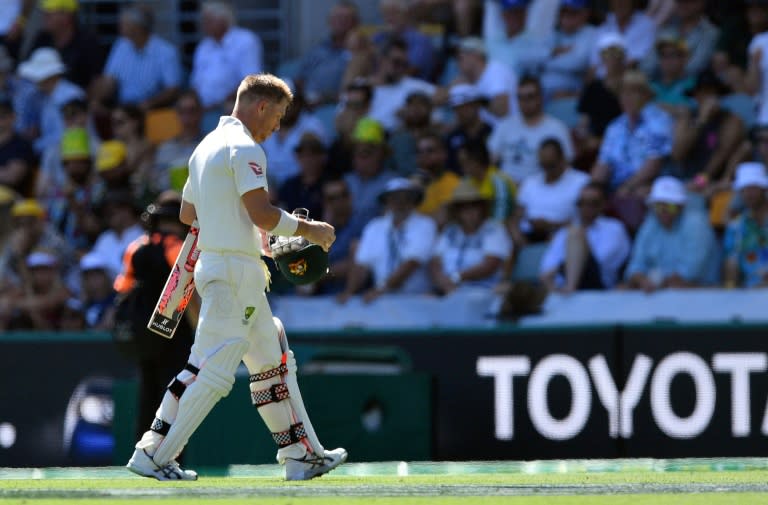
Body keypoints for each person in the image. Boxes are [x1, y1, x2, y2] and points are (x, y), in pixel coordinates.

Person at [126, 73, 346, 481]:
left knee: (273, 361)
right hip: (234, 272)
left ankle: (302, 456)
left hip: (229, 267)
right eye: (278, 116)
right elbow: (262, 213)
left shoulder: (204, 147)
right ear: (261, 106)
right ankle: (153, 452)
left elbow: (187, 215)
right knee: (208, 371)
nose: (277, 127)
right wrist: (310, 231)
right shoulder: (245, 147)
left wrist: (239, 227)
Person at [113, 192, 197, 448]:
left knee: (147, 395)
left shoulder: (135, 247)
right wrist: (199, 330)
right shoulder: (179, 250)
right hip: (175, 333)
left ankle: (142, 451)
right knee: (173, 397)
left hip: (144, 334)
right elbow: (189, 295)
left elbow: (123, 287)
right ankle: (169, 456)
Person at [622, 175, 719, 291]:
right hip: (659, 290)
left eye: (670, 206)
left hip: (700, 294)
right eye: (658, 206)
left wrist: (655, 283)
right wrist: (641, 280)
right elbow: (635, 264)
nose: (664, 211)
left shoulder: (696, 223)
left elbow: (691, 273)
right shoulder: (650, 223)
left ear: (681, 206)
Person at [539, 182, 631, 293]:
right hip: (561, 280)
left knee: (575, 235)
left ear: (604, 204)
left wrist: (560, 269)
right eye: (581, 203)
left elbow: (602, 260)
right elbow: (547, 266)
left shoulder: (614, 228)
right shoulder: (564, 232)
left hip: (599, 283)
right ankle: (564, 289)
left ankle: (570, 287)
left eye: (593, 203)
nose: (586, 207)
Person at [723, 162, 768, 288]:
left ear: (764, 189)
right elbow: (731, 267)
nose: (748, 193)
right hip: (750, 294)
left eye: (753, 188)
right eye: (744, 189)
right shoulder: (736, 227)